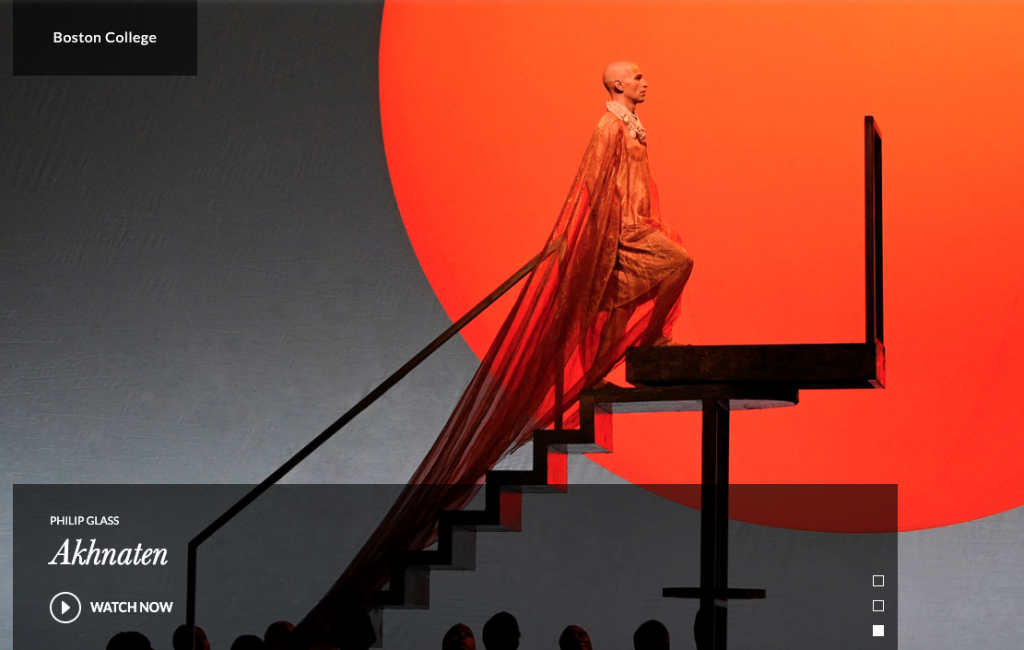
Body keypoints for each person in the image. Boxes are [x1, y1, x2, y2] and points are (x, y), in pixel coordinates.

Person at [300, 61, 694, 633]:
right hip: (616, 232)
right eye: (634, 76)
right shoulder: (609, 126)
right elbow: (589, 185)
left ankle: (615, 363)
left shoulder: (631, 126)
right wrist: (584, 241)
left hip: (634, 227)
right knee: (657, 273)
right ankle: (623, 357)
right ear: (614, 85)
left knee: (628, 295)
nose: (644, 81)